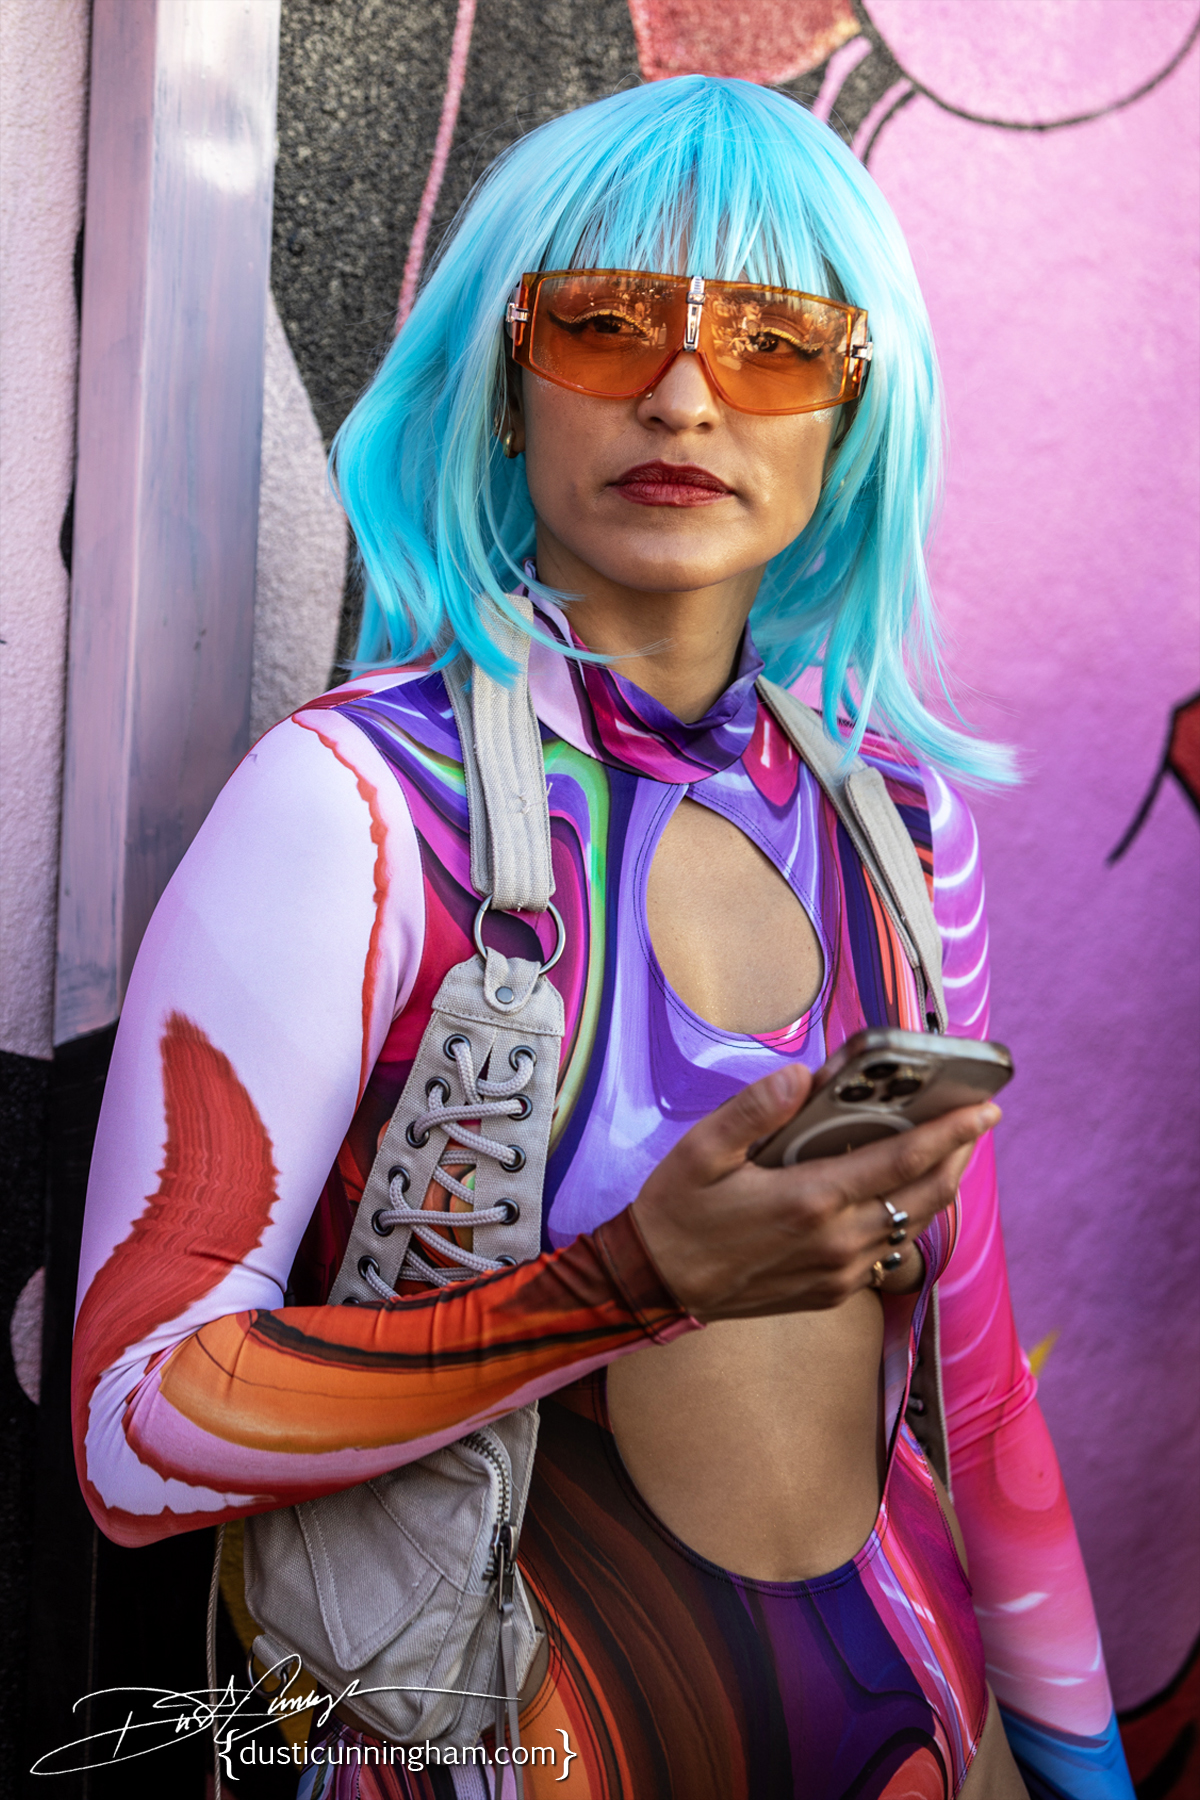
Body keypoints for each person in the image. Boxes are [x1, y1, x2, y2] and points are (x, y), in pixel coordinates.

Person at [72, 76, 1135, 1800]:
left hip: (925, 1741)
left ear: (853, 413)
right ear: (505, 386)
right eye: (606, 321)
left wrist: (1089, 1782)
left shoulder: (901, 830)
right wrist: (627, 1286)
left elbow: (982, 1401)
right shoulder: (354, 806)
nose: (686, 392)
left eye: (776, 343)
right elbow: (133, 1430)